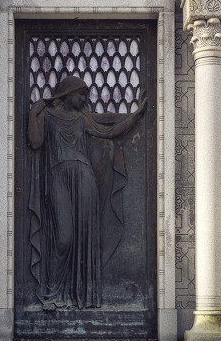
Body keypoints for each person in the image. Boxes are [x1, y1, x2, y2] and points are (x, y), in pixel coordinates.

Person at [28, 75, 147, 311]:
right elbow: (35, 142)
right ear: (67, 95)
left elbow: (110, 131)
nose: (85, 99)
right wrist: (33, 113)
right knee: (64, 238)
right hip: (58, 177)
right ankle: (51, 293)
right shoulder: (48, 116)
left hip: (84, 180)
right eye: (81, 94)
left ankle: (77, 296)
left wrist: (135, 114)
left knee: (83, 239)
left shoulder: (83, 119)